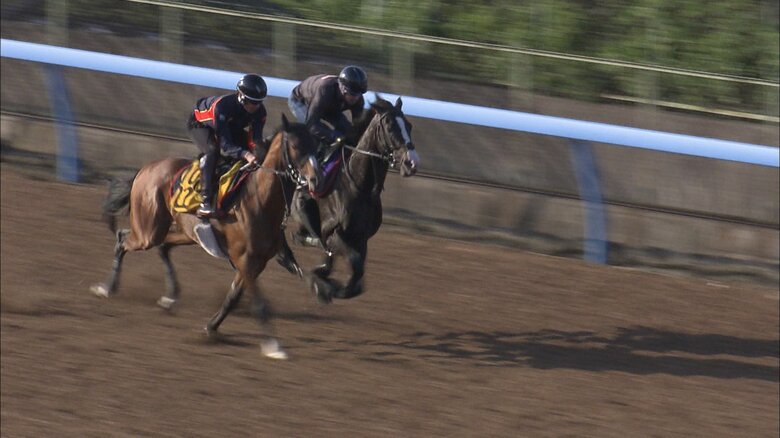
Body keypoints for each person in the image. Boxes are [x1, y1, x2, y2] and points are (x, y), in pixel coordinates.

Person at [286, 66, 368, 246]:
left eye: (358, 95)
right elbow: (312, 125)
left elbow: (356, 132)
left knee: (346, 134)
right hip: (302, 102)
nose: (355, 98)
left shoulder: (357, 98)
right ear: (343, 88)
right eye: (352, 94)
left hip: (330, 107)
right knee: (317, 137)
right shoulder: (325, 91)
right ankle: (307, 175)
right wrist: (334, 137)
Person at [187, 73, 268, 218]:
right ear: (241, 97)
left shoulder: (260, 112)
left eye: (259, 102)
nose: (256, 107)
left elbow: (255, 139)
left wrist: (258, 152)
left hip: (229, 126)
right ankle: (205, 201)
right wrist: (246, 154)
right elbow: (225, 144)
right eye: (253, 103)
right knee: (212, 151)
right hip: (200, 125)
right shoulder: (222, 107)